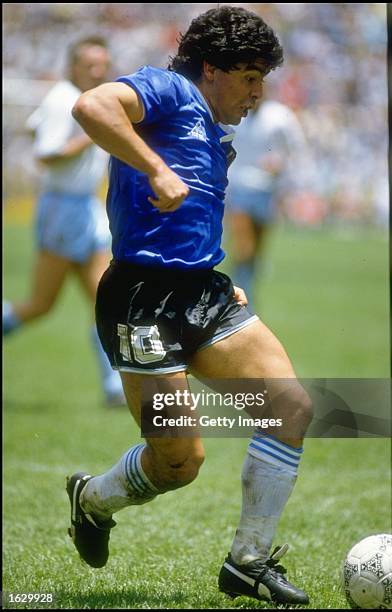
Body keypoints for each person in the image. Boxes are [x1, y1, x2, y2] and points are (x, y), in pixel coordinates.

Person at [66, 7, 313, 606]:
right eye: (249, 77)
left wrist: (211, 270)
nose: (257, 94)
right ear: (211, 68)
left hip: (202, 293)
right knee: (179, 462)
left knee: (290, 406)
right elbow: (91, 106)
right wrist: (154, 167)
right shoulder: (170, 90)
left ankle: (247, 563)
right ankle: (92, 499)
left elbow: (189, 209)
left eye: (262, 80)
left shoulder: (209, 126)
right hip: (141, 304)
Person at [3, 36, 125, 406]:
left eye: (102, 64)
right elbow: (47, 155)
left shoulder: (94, 99)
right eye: (90, 65)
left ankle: (114, 387)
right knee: (41, 304)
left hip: (85, 208)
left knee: (107, 300)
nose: (98, 71)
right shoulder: (62, 100)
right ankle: (114, 386)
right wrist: (93, 132)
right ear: (73, 66)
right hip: (62, 209)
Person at [226, 93, 310, 311]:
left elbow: (296, 147)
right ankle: (242, 304)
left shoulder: (280, 116)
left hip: (266, 190)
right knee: (243, 248)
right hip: (239, 187)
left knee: (255, 253)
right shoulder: (234, 112)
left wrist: (281, 165)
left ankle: (245, 298)